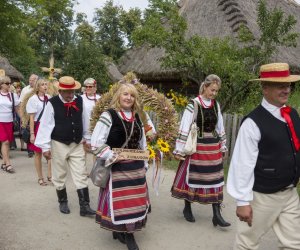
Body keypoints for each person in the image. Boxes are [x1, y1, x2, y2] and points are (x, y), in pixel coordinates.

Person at [227, 62, 300, 250]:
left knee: (294, 244)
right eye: (280, 85)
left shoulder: (292, 114)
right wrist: (243, 201)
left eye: (288, 85)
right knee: (247, 244)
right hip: (262, 196)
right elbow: (242, 164)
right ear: (265, 88)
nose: (286, 90)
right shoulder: (252, 123)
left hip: (290, 193)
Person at [91, 82, 150, 250]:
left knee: (135, 202)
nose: (128, 98)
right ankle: (123, 233)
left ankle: (128, 233)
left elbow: (142, 143)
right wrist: (113, 155)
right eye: (125, 94)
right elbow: (96, 143)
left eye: (132, 95)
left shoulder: (137, 117)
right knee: (121, 203)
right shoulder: (108, 115)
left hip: (136, 169)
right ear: (118, 96)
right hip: (116, 168)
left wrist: (144, 163)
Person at [171, 74, 230, 227]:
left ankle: (217, 214)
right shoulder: (194, 104)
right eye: (212, 90)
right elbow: (184, 126)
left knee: (216, 179)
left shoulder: (215, 105)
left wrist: (223, 145)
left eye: (217, 91)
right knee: (193, 177)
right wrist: (179, 149)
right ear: (205, 87)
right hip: (197, 147)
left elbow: (220, 127)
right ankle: (187, 207)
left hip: (213, 147)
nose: (214, 93)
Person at [34, 76, 95, 216]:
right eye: (67, 92)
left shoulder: (79, 100)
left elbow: (85, 120)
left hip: (77, 143)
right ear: (60, 91)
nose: (70, 95)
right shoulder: (52, 103)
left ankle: (84, 207)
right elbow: (46, 125)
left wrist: (87, 138)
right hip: (59, 143)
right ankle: (63, 201)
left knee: (81, 173)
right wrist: (45, 147)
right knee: (59, 173)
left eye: (72, 91)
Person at [25, 78, 51, 186]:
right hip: (37, 126)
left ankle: (50, 175)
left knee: (50, 153)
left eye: (46, 84)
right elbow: (31, 118)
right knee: (38, 153)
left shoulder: (49, 98)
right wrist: (32, 133)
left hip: (47, 127)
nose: (45, 86)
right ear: (38, 87)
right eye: (42, 85)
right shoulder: (33, 99)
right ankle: (40, 177)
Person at [0, 75, 20, 173]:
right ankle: (8, 164)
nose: (9, 85)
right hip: (0, 122)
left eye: (10, 83)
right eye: (7, 83)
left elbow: (17, 109)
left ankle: (3, 163)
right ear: (1, 85)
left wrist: (23, 120)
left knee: (7, 143)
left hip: (9, 121)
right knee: (6, 142)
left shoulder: (13, 95)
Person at [20, 74, 38, 158]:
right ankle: (30, 150)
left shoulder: (40, 89)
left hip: (38, 113)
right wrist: (22, 116)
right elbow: (21, 103)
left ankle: (37, 148)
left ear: (36, 80)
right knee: (28, 130)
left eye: (33, 80)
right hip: (27, 113)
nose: (31, 81)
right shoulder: (25, 89)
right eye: (30, 80)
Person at [13, 82, 26, 151]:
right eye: (17, 88)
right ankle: (13, 144)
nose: (18, 89)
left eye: (19, 88)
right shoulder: (13, 95)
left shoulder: (21, 95)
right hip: (14, 115)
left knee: (22, 130)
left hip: (20, 113)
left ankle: (22, 146)